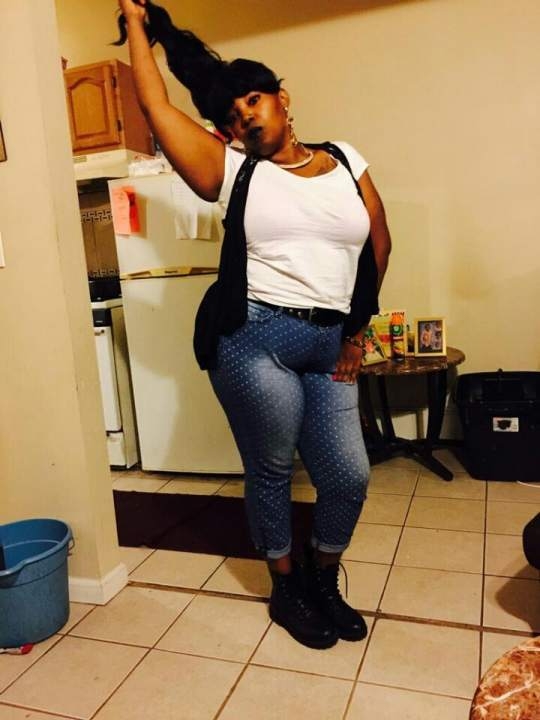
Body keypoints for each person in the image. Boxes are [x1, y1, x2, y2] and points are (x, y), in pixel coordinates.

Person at [116, 0, 392, 650]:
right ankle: (286, 586)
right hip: (254, 341)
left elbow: (378, 243)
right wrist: (136, 24)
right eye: (234, 114)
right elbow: (156, 106)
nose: (246, 115)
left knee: (347, 475)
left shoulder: (345, 159)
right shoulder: (233, 169)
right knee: (271, 469)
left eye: (254, 100)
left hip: (330, 343)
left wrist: (356, 334)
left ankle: (323, 577)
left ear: (281, 99)